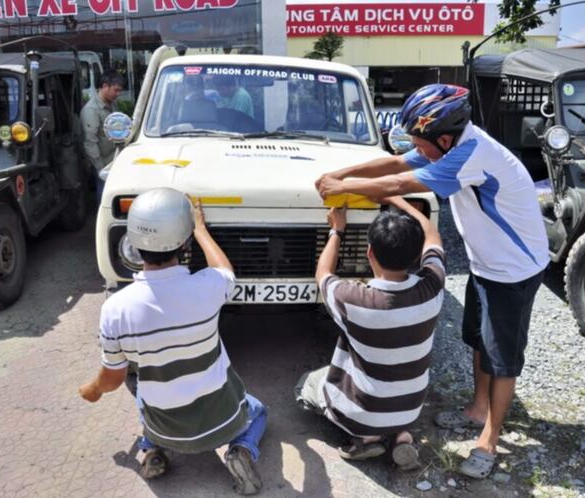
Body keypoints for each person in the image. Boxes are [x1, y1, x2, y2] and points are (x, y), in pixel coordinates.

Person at [315, 83, 549, 479]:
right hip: (486, 264)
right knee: (477, 339)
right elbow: (394, 164)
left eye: (421, 144)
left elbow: (400, 184)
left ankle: (489, 441)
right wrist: (339, 173)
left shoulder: (472, 156)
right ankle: (478, 410)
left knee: (503, 358)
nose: (417, 151)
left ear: (443, 138)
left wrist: (345, 188)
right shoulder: (453, 143)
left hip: (513, 272)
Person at [79, 188, 266, 495]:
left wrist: (93, 390)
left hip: (166, 429)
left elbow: (112, 379)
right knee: (259, 410)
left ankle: (151, 450)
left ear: (135, 243)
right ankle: (241, 450)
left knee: (141, 389)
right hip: (222, 422)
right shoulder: (208, 286)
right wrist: (202, 230)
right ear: (184, 242)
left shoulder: (115, 308)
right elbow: (224, 270)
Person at [295, 197, 444, 469]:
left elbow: (323, 273)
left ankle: (366, 438)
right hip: (411, 407)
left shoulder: (354, 299)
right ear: (415, 256)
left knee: (306, 384)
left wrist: (336, 230)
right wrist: (404, 204)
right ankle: (402, 437)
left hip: (363, 412)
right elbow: (433, 236)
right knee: (393, 390)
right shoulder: (432, 288)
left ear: (370, 253)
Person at [80, 70, 124, 201]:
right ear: (105, 86)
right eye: (116, 90)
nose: (118, 94)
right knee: (106, 200)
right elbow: (89, 142)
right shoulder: (91, 110)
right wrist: (101, 169)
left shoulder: (112, 104)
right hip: (104, 165)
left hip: (114, 160)